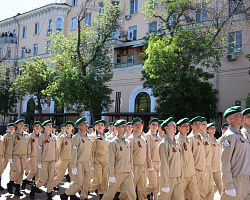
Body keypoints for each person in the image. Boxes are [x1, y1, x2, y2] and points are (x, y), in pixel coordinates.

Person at [220, 106, 250, 200]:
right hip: (235, 179)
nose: (242, 117)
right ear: (230, 118)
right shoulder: (230, 136)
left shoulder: (240, 135)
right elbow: (225, 161)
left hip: (245, 178)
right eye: (239, 115)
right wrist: (228, 185)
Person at [102, 119, 136, 200]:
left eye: (125, 126)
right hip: (117, 173)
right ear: (116, 128)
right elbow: (110, 160)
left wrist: (131, 170)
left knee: (132, 196)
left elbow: (130, 157)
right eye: (122, 126)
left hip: (128, 172)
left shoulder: (127, 141)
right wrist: (111, 175)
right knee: (109, 194)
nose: (125, 128)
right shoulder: (113, 143)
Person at [61, 117, 92, 200]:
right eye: (83, 124)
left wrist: (91, 163)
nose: (86, 125)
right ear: (79, 126)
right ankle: (66, 194)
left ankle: (84, 197)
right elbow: (74, 152)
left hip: (87, 163)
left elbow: (90, 151)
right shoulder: (76, 137)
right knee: (78, 183)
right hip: (79, 163)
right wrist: (74, 166)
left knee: (86, 182)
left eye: (86, 123)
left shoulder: (88, 137)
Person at [30, 120, 57, 200]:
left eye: (51, 124)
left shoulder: (54, 137)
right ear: (44, 127)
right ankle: (34, 187)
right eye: (48, 125)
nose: (50, 126)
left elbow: (56, 149)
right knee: (43, 178)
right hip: (44, 161)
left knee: (51, 178)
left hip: (52, 160)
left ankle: (49, 194)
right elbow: (39, 149)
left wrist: (56, 160)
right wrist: (39, 162)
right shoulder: (41, 137)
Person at [159, 117, 184, 200]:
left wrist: (181, 176)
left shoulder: (176, 142)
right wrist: (165, 183)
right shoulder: (163, 144)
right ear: (166, 128)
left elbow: (180, 161)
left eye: (175, 125)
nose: (175, 127)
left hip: (178, 178)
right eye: (172, 125)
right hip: (169, 178)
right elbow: (164, 165)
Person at [175, 118, 200, 200]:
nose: (187, 127)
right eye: (184, 125)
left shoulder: (187, 139)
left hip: (191, 173)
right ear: (179, 128)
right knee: (179, 197)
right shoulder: (177, 140)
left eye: (188, 125)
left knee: (195, 196)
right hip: (182, 175)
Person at [7, 119, 31, 197]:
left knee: (21, 172)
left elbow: (29, 146)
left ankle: (17, 189)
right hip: (15, 155)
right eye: (20, 124)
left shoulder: (27, 134)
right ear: (16, 125)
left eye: (23, 124)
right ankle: (10, 183)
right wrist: (10, 157)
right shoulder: (13, 134)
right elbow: (10, 146)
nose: (22, 125)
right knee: (18, 170)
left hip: (24, 155)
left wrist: (28, 155)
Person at [127, 117, 148, 200]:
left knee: (142, 189)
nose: (138, 126)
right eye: (136, 124)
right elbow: (129, 156)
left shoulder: (144, 138)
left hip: (143, 166)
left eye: (140, 124)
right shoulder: (130, 139)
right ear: (132, 126)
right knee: (131, 190)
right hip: (134, 167)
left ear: (143, 126)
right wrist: (130, 170)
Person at [187, 116, 206, 200]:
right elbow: (188, 157)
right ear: (191, 126)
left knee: (202, 192)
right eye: (196, 124)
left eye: (199, 124)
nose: (198, 126)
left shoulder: (201, 138)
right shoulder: (190, 138)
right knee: (191, 194)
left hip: (202, 169)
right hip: (194, 171)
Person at [21, 121, 42, 192]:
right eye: (36, 126)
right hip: (32, 156)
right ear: (33, 127)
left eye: (39, 126)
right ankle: (25, 181)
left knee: (38, 172)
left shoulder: (42, 136)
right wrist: (28, 156)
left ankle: (36, 186)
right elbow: (28, 147)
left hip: (40, 157)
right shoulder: (30, 136)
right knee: (33, 171)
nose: (37, 127)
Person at [53, 121, 74, 190]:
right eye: (67, 125)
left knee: (73, 176)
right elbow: (57, 149)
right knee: (60, 176)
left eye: (70, 125)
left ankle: (72, 190)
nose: (68, 126)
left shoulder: (74, 138)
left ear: (72, 128)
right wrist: (56, 160)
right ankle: (52, 186)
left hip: (72, 160)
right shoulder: (62, 137)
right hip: (63, 159)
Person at [91, 119, 109, 199]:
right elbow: (92, 151)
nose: (100, 126)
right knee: (98, 179)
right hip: (97, 160)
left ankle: (101, 194)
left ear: (104, 127)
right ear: (95, 127)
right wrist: (91, 163)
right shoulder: (93, 137)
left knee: (104, 179)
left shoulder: (107, 136)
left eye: (102, 125)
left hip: (106, 160)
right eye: (98, 125)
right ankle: (85, 189)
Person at [145, 118, 161, 200]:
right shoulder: (148, 136)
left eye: (156, 125)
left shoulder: (158, 137)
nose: (155, 126)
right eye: (153, 124)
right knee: (152, 184)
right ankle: (142, 196)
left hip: (159, 163)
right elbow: (147, 152)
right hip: (152, 163)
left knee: (157, 185)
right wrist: (150, 165)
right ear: (149, 126)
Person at [200, 117, 214, 200]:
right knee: (202, 190)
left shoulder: (209, 137)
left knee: (210, 189)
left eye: (205, 124)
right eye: (202, 124)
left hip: (209, 166)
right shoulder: (198, 137)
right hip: (202, 167)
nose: (205, 126)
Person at [207, 122, 222, 195]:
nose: (213, 129)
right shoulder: (206, 140)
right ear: (207, 130)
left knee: (221, 187)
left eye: (214, 128)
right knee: (209, 188)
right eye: (211, 128)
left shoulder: (215, 140)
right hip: (209, 168)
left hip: (217, 167)